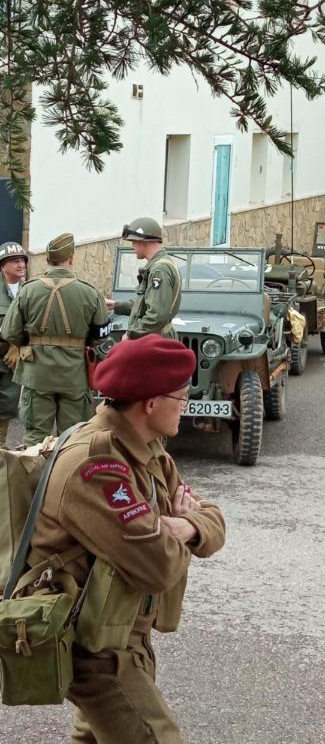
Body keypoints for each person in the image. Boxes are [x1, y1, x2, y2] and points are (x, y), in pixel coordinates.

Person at [26, 334, 225, 743]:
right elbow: (158, 567)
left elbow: (213, 519)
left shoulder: (147, 451)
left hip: (123, 632)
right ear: (151, 403)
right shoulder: (96, 466)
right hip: (95, 650)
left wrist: (187, 526)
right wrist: (181, 533)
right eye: (182, 397)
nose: (186, 406)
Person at [1, 233, 112, 447]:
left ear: (47, 260)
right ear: (71, 259)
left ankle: (34, 479)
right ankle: (65, 479)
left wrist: (28, 343)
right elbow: (101, 335)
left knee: (35, 437)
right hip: (73, 375)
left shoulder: (28, 290)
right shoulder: (89, 292)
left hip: (37, 373)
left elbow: (9, 331)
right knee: (73, 437)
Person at [106, 217, 181, 338]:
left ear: (143, 241)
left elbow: (157, 315)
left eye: (133, 242)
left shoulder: (159, 270)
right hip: (154, 339)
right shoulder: (161, 263)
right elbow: (146, 305)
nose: (133, 247)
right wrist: (116, 305)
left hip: (155, 341)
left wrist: (132, 334)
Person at [0, 242, 28, 446]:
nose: (20, 265)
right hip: (2, 352)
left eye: (22, 260)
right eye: (14, 261)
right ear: (3, 267)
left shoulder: (30, 290)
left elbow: (35, 323)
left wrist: (17, 346)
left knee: (7, 405)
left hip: (13, 361)